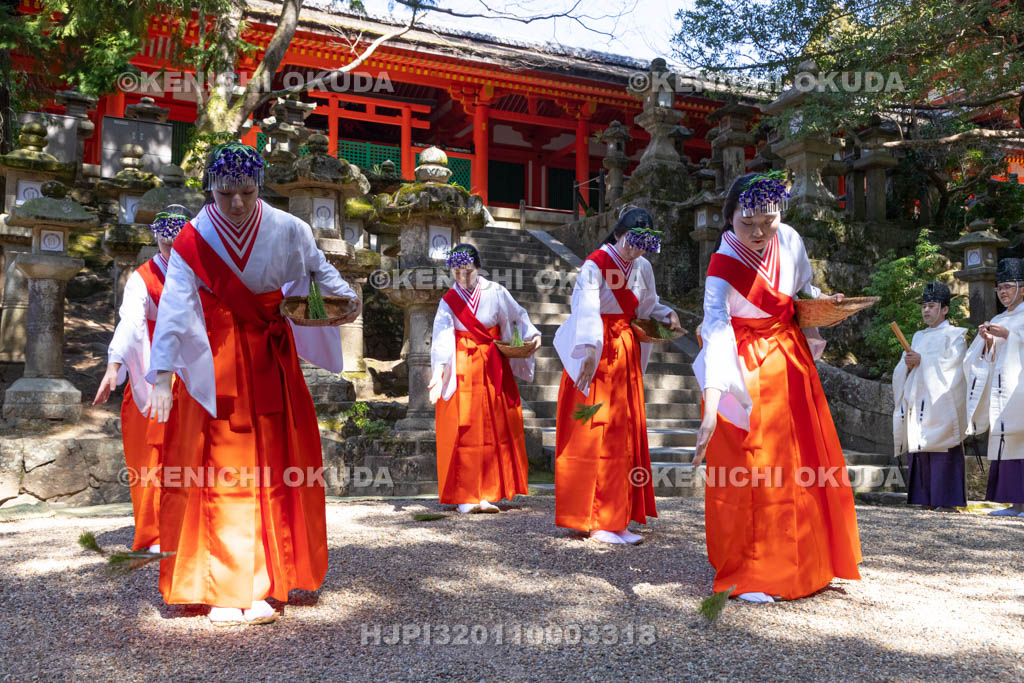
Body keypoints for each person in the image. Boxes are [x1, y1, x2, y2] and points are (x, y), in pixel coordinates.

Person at [147, 142, 361, 626]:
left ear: (258, 186)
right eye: (226, 194)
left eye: (246, 191)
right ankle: (225, 586)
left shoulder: (290, 227)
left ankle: (269, 577)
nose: (237, 203)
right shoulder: (191, 240)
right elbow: (177, 309)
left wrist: (344, 296)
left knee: (277, 462)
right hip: (216, 359)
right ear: (210, 189)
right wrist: (161, 374)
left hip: (271, 354)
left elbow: (316, 269)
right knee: (223, 467)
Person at [692, 171, 862, 602]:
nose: (758, 231)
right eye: (746, 222)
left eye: (767, 219)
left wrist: (824, 303)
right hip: (745, 367)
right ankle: (750, 570)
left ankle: (810, 561)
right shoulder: (721, 270)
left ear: (778, 212)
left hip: (789, 361)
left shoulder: (788, 238)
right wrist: (712, 402)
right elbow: (716, 329)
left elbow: (803, 288)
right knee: (752, 470)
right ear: (729, 217)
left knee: (801, 461)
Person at [552, 207, 684, 544]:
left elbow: (647, 305)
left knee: (622, 436)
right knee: (596, 434)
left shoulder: (642, 267)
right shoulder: (595, 263)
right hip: (597, 351)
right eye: (630, 243)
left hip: (624, 350)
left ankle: (617, 516)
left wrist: (667, 313)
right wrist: (590, 350)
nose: (635, 251)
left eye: (642, 245)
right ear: (617, 234)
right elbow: (584, 307)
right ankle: (595, 518)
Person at [93, 207, 190, 552]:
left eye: (178, 238)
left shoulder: (202, 273)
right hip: (152, 372)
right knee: (148, 455)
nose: (172, 245)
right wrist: (115, 366)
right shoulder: (143, 277)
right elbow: (131, 322)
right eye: (165, 239)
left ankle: (193, 525)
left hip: (194, 372)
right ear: (156, 238)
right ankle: (153, 530)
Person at [428, 243, 541, 514]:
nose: (462, 277)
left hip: (491, 366)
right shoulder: (449, 300)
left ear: (477, 267)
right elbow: (442, 336)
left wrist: (532, 335)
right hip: (462, 367)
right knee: (464, 429)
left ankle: (488, 492)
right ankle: (465, 495)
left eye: (467, 271)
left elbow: (518, 316)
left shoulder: (496, 292)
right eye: (456, 272)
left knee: (494, 428)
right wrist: (438, 371)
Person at [892, 282, 969, 511]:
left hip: (941, 403)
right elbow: (903, 368)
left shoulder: (955, 336)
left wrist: (922, 362)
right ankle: (922, 498)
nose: (926, 310)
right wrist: (906, 365)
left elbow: (954, 370)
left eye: (932, 306)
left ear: (944, 309)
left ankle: (946, 501)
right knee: (920, 445)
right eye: (924, 306)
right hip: (919, 399)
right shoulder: (918, 336)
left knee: (942, 446)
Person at [964, 257, 1024, 517]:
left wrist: (1010, 337)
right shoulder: (998, 317)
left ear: (1023, 288)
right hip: (1002, 389)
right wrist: (987, 341)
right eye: (999, 287)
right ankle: (1014, 502)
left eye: (1008, 286)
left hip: (1020, 388)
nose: (1003, 291)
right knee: (1006, 442)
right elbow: (985, 360)